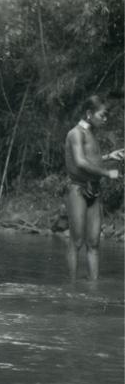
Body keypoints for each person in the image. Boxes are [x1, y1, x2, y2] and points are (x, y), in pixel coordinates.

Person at [64, 95, 123, 280]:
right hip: (78, 189)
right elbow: (80, 162)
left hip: (94, 191)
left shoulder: (90, 133)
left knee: (94, 243)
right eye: (102, 115)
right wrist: (107, 173)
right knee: (77, 242)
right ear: (89, 113)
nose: (105, 119)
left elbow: (91, 159)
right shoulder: (76, 133)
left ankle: (93, 288)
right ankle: (71, 288)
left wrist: (108, 157)